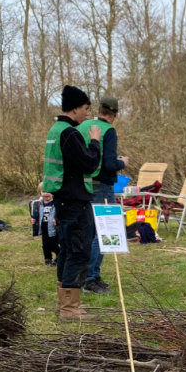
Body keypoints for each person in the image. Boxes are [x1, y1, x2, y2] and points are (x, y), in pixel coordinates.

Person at [42, 85, 101, 321]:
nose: (87, 114)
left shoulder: (55, 130)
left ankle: (64, 304)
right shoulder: (69, 133)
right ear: (75, 108)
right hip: (75, 201)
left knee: (66, 250)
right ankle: (70, 309)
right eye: (86, 109)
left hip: (63, 200)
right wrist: (95, 141)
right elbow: (89, 163)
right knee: (78, 251)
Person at [77, 96, 129, 295]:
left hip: (82, 186)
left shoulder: (83, 126)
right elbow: (109, 163)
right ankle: (91, 279)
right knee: (105, 233)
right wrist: (122, 162)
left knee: (87, 233)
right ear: (115, 114)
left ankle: (82, 277)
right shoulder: (109, 131)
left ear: (98, 109)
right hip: (102, 186)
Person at [30, 182, 59, 266]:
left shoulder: (56, 203)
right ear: (40, 192)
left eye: (49, 191)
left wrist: (57, 220)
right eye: (44, 191)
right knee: (45, 246)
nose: (46, 193)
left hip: (54, 229)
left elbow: (61, 214)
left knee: (54, 245)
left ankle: (60, 256)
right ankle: (48, 260)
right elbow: (35, 215)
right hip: (44, 228)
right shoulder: (38, 204)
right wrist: (33, 220)